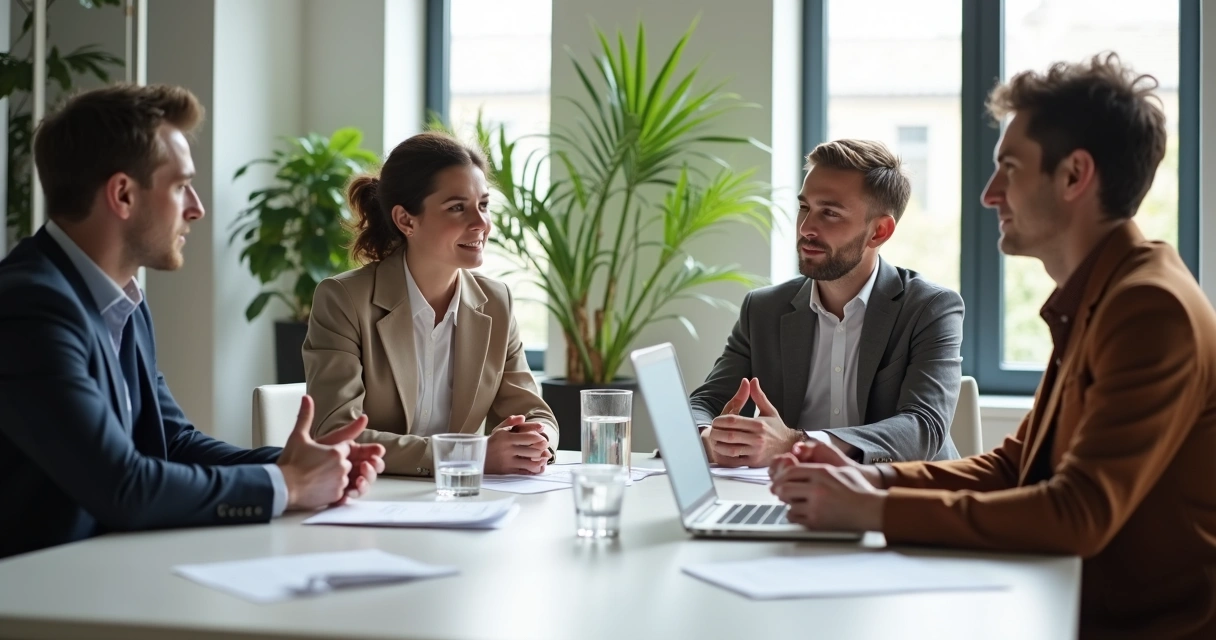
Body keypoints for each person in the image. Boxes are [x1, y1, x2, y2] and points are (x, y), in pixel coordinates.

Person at [770, 53, 1216, 638]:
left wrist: (872, 510)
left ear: (1074, 176)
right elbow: (1017, 467)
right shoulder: (1099, 295)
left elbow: (1076, 513)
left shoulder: (1147, 307)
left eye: (1009, 167)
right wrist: (870, 479)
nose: (989, 194)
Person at [0, 84, 385, 559]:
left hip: (103, 575)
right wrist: (288, 484)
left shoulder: (123, 300)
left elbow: (172, 443)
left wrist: (300, 464)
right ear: (122, 194)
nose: (197, 208)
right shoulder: (28, 307)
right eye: (181, 185)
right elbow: (123, 486)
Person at [690, 139, 963, 468]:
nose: (806, 228)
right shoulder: (763, 309)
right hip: (786, 499)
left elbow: (923, 428)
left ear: (879, 232)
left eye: (830, 213)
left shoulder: (930, 308)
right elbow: (704, 402)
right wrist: (709, 437)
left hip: (896, 502)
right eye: (804, 207)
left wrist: (796, 442)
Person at [304, 132, 557, 477]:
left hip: (464, 505)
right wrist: (469, 455)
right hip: (372, 502)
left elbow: (534, 413)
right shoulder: (344, 300)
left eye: (483, 205)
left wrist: (536, 439)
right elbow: (336, 434)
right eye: (457, 207)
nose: (481, 224)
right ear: (406, 220)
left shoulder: (496, 303)